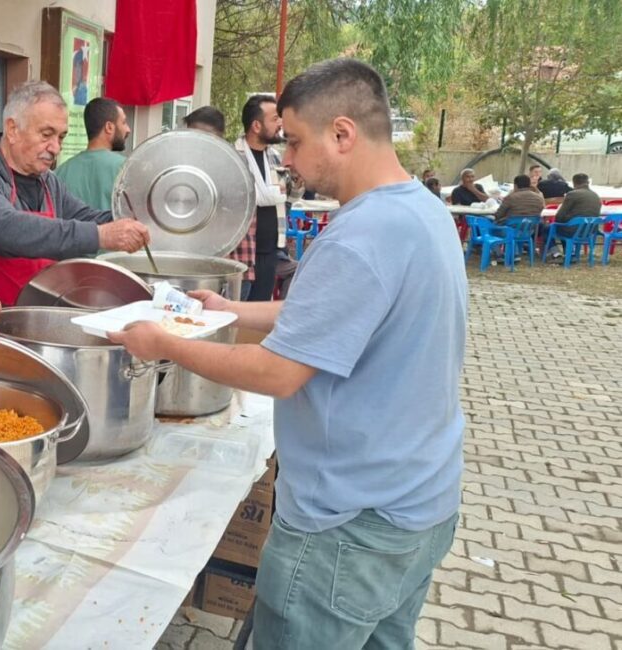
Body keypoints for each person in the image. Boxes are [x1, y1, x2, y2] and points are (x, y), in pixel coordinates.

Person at [109, 58, 466, 650]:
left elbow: (279, 372)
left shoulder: (358, 237)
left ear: (343, 133)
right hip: (420, 506)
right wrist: (229, 313)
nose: (287, 160)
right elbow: (336, 322)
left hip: (346, 527)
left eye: (295, 142)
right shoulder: (422, 211)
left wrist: (164, 343)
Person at [0, 81, 150, 306]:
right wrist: (100, 235)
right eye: (46, 134)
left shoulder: (48, 182)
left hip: (29, 318)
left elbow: (83, 216)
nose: (55, 148)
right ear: (12, 130)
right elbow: (3, 228)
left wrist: (137, 217)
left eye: (60, 137)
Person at [230, 94, 287, 302]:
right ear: (256, 126)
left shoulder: (275, 157)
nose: (280, 123)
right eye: (274, 119)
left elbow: (287, 196)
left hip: (270, 250)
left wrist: (297, 182)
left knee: (258, 313)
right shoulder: (232, 158)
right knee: (237, 314)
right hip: (241, 252)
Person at [54, 97, 130, 211]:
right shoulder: (126, 169)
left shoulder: (59, 172)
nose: (128, 129)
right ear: (109, 127)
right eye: (123, 122)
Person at [547, 172, 601, 259]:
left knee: (548, 228)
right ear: (587, 182)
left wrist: (556, 223)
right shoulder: (596, 196)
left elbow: (560, 215)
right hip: (590, 231)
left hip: (572, 231)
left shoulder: (572, 194)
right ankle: (570, 250)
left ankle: (556, 253)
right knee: (565, 225)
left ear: (574, 183)